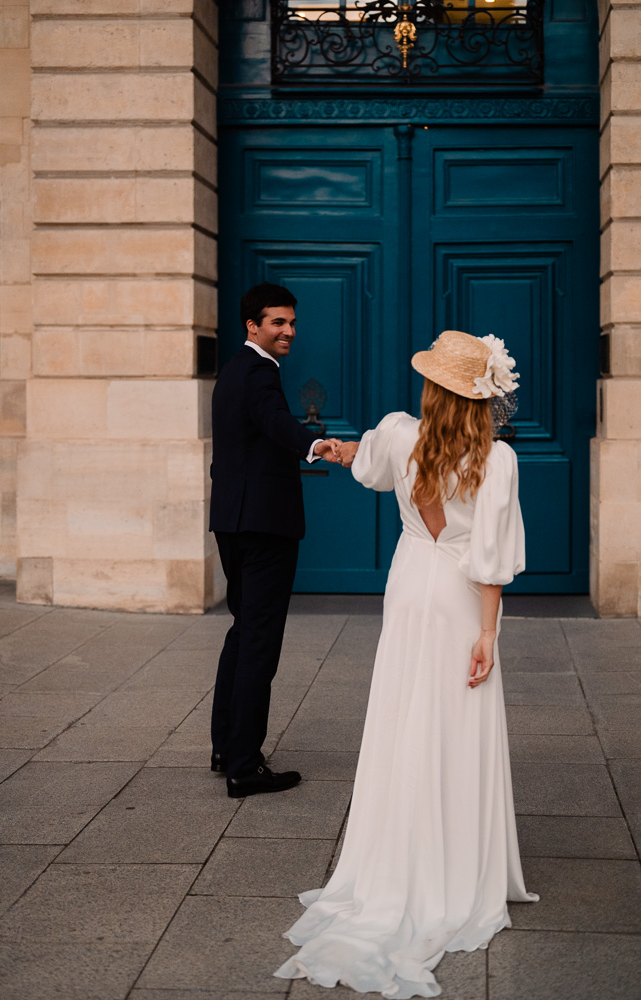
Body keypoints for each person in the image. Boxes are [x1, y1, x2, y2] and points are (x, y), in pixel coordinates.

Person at [274, 329, 538, 998]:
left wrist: (336, 450)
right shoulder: (496, 462)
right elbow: (489, 560)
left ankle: (393, 859)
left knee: (403, 716)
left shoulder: (399, 436)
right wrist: (486, 633)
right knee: (455, 719)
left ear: (430, 389)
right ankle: (455, 868)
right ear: (482, 399)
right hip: (455, 598)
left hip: (409, 582)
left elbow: (367, 463)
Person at [210, 282, 341, 799]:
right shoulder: (260, 371)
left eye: (291, 322)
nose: (288, 331)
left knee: (243, 633)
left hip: (233, 521)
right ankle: (244, 765)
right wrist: (316, 443)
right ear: (253, 326)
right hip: (265, 527)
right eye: (277, 322)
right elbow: (275, 420)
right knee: (259, 642)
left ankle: (226, 747)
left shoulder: (232, 370)